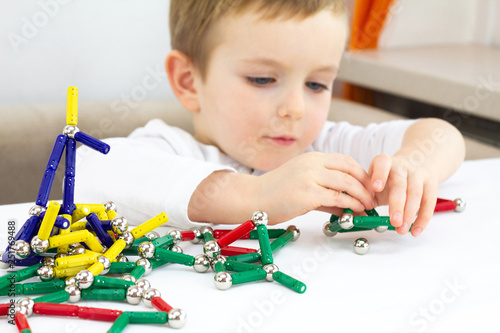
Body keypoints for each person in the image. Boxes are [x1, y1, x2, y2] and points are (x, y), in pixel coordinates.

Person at [75, 0, 465, 237]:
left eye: (316, 84)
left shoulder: (327, 145)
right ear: (188, 81)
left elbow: (442, 135)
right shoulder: (172, 149)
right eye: (262, 79)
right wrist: (257, 196)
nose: (295, 108)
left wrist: (412, 166)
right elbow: (92, 171)